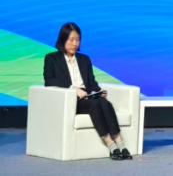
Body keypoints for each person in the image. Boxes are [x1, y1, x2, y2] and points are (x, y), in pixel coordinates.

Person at [42, 22, 132, 160]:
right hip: (71, 99)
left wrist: (98, 90)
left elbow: (91, 83)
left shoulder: (84, 59)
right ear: (63, 39)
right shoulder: (51, 58)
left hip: (88, 95)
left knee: (105, 103)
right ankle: (110, 144)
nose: (75, 43)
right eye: (71, 39)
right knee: (94, 104)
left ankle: (120, 142)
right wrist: (73, 88)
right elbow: (49, 81)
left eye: (77, 40)